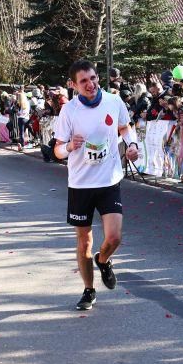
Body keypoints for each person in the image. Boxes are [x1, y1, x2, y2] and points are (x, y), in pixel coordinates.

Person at [52, 59, 139, 311]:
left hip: (108, 180)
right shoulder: (69, 111)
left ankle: (103, 260)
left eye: (93, 78)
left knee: (114, 237)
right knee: (84, 243)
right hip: (80, 184)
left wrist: (132, 145)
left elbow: (125, 128)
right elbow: (57, 150)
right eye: (83, 81)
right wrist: (69, 146)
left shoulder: (114, 101)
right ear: (74, 85)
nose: (90, 84)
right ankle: (89, 290)